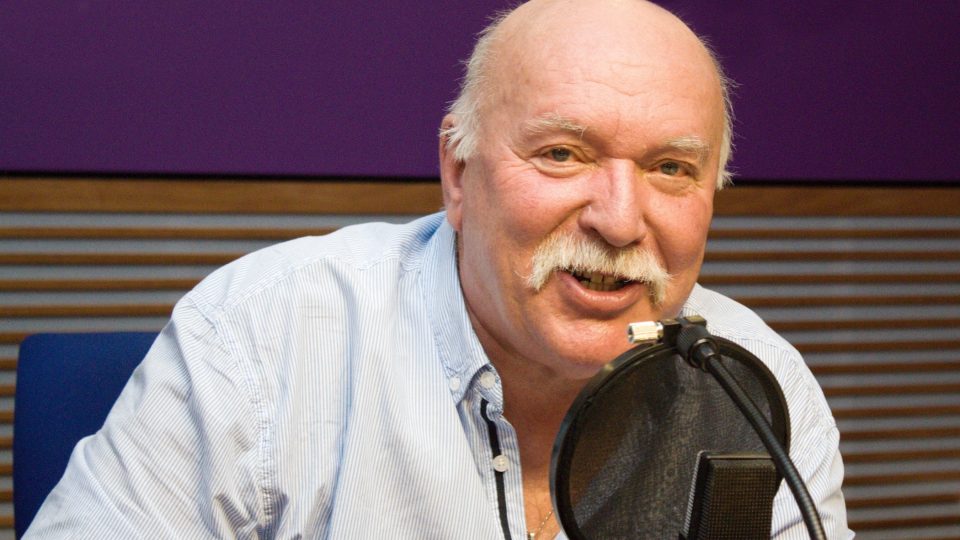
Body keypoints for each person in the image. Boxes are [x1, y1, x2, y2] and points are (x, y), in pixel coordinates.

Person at [26, 0, 851, 538]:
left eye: (671, 169)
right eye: (562, 154)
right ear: (459, 175)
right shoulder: (262, 335)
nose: (619, 219)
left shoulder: (756, 385)